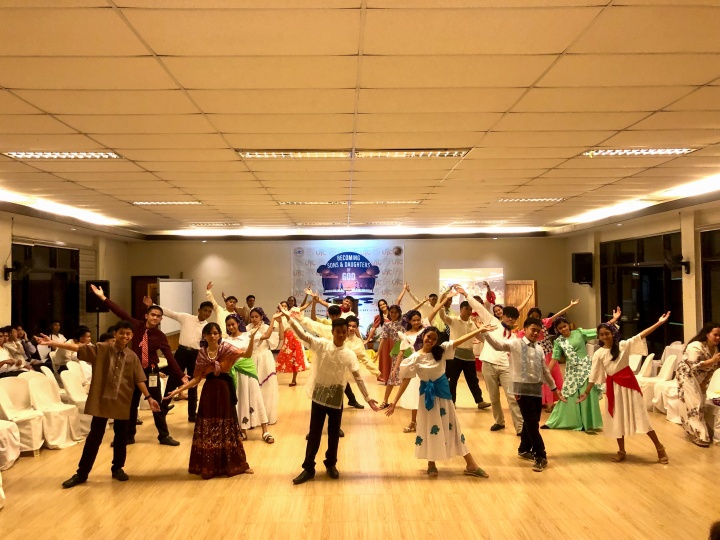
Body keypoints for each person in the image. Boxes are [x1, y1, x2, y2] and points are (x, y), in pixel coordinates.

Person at [35, 322, 161, 488]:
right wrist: (52, 343)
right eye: (122, 333)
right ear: (115, 334)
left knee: (121, 437)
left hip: (122, 401)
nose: (125, 337)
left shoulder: (132, 356)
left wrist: (149, 397)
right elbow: (78, 348)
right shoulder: (101, 349)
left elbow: (139, 379)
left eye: (128, 334)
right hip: (102, 400)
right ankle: (82, 473)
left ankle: (118, 468)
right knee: (94, 437)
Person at [282, 309, 379, 485]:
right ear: (332, 331)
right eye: (338, 331)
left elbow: (358, 376)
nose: (341, 334)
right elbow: (303, 336)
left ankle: (331, 464)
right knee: (314, 433)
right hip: (319, 395)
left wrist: (368, 398)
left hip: (336, 397)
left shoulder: (349, 354)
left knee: (334, 434)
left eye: (344, 331)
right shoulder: (322, 345)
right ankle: (308, 468)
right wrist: (290, 320)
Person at [89, 283, 187, 446]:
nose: (155, 318)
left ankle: (164, 436)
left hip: (151, 373)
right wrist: (103, 298)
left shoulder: (161, 336)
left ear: (161, 319)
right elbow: (120, 312)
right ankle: (128, 436)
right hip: (132, 373)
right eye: (153, 315)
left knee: (157, 405)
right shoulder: (135, 326)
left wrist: (181, 375)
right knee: (131, 404)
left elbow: (170, 357)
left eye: (158, 316)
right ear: (147, 315)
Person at [386, 325, 491, 478]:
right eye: (428, 337)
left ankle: (471, 464)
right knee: (429, 427)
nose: (431, 340)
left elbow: (460, 340)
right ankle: (431, 463)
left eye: (434, 339)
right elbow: (406, 381)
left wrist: (478, 330)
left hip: (444, 397)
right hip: (427, 399)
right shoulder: (414, 358)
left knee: (453, 427)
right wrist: (394, 401)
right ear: (423, 336)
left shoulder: (441, 351)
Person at [165, 322, 256, 479]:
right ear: (204, 336)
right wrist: (179, 390)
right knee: (208, 426)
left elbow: (246, 355)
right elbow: (196, 379)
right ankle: (208, 465)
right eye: (209, 333)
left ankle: (237, 463)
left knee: (227, 426)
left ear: (220, 335)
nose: (213, 336)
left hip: (224, 390)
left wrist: (252, 339)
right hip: (209, 391)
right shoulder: (201, 354)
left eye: (215, 333)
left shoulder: (227, 349)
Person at [578, 313, 671, 464]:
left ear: (613, 333)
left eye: (607, 333)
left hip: (629, 386)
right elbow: (594, 375)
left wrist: (659, 323)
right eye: (601, 334)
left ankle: (659, 447)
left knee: (641, 417)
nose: (604, 337)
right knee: (617, 419)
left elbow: (641, 335)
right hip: (614, 389)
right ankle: (621, 450)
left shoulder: (623, 346)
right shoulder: (599, 353)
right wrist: (586, 392)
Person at [478, 318, 561, 472]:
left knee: (533, 420)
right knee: (531, 423)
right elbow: (498, 345)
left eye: (538, 330)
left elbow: (545, 370)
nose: (536, 333)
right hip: (521, 390)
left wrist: (554, 388)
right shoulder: (515, 343)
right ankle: (541, 455)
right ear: (525, 329)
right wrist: (485, 333)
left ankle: (523, 449)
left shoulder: (539, 349)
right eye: (533, 329)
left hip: (536, 389)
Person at [543, 308, 621, 431]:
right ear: (557, 330)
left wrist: (614, 319)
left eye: (565, 326)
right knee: (569, 394)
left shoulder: (579, 333)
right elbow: (554, 358)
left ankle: (587, 422)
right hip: (571, 371)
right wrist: (545, 372)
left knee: (586, 393)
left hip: (585, 368)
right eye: (560, 328)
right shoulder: (559, 341)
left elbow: (598, 330)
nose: (563, 329)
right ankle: (559, 421)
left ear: (568, 325)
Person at [461, 286, 523, 434]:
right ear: (503, 316)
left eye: (513, 318)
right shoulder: (492, 321)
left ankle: (520, 427)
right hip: (488, 364)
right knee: (494, 397)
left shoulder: (513, 337)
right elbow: (478, 307)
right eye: (508, 316)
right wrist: (466, 294)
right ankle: (499, 421)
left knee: (511, 398)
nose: (510, 319)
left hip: (505, 368)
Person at [143, 296, 213, 423]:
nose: (207, 313)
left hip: (195, 355)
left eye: (209, 311)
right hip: (181, 352)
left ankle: (192, 414)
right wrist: (152, 304)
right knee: (172, 381)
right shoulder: (186, 317)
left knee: (193, 384)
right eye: (205, 310)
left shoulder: (207, 327)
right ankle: (163, 408)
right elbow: (170, 312)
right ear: (199, 310)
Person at [430, 290, 491, 411]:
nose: (470, 312)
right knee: (452, 380)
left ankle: (480, 401)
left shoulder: (473, 324)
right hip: (455, 355)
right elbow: (442, 314)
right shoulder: (453, 320)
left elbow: (481, 338)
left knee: (473, 380)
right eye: (468, 309)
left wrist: (486, 332)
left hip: (469, 355)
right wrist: (444, 298)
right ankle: (451, 402)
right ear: (462, 309)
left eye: (471, 310)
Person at [520, 300, 579, 410]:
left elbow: (557, 315)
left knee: (551, 377)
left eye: (537, 316)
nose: (535, 318)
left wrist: (570, 305)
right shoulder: (526, 330)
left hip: (549, 355)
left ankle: (550, 403)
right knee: (539, 379)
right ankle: (542, 401)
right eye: (533, 316)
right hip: (536, 356)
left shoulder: (544, 323)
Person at [224, 314, 274, 443]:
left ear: (238, 323)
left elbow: (266, 336)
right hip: (235, 373)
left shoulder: (247, 335)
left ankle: (265, 430)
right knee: (240, 399)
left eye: (233, 324)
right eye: (228, 325)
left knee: (256, 397)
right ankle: (243, 430)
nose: (231, 327)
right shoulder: (225, 341)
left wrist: (274, 319)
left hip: (249, 371)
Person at [676, 322, 720, 447]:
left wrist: (705, 382)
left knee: (698, 403)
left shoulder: (716, 349)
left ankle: (695, 431)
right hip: (686, 376)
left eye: (719, 335)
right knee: (695, 405)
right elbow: (692, 366)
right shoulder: (695, 346)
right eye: (715, 335)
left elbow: (713, 369)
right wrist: (711, 360)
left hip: (700, 378)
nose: (717, 338)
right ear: (707, 334)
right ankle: (701, 436)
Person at [247, 307, 279, 425]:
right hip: (252, 359)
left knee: (267, 387)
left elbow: (277, 339)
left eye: (256, 316)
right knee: (254, 388)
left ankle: (268, 415)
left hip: (265, 359)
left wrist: (277, 322)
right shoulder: (248, 329)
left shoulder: (266, 327)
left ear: (261, 317)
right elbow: (265, 336)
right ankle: (255, 417)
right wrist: (273, 321)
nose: (254, 319)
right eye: (252, 317)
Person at [275, 300, 307, 387]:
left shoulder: (290, 314)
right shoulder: (277, 318)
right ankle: (272, 378)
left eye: (285, 306)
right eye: (282, 306)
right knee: (280, 357)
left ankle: (294, 380)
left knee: (295, 359)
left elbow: (303, 307)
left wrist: (311, 300)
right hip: (286, 339)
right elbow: (280, 333)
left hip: (295, 338)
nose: (284, 307)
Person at [377, 305, 404, 408]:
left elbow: (413, 311)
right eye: (391, 312)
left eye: (395, 312)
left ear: (399, 313)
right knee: (392, 377)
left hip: (408, 350)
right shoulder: (387, 325)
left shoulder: (404, 322)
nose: (393, 314)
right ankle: (385, 401)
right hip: (397, 351)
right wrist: (378, 353)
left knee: (410, 376)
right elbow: (383, 338)